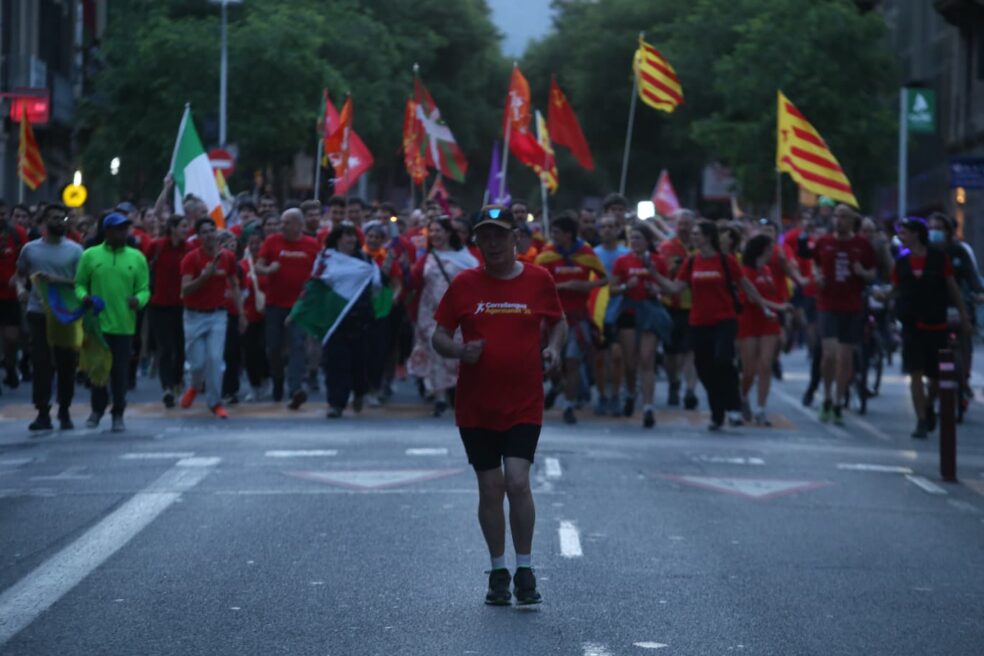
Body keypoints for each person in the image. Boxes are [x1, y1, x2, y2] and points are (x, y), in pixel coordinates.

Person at [432, 205, 565, 606]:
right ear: (476, 242)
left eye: (500, 235)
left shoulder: (539, 279)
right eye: (484, 236)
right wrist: (458, 350)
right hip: (476, 406)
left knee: (518, 482)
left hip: (524, 401)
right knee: (490, 488)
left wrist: (554, 348)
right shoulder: (464, 284)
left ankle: (525, 567)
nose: (492, 243)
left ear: (516, 239)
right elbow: (439, 334)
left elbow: (558, 320)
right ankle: (498, 570)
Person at [655, 220, 771, 430]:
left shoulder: (727, 261)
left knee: (723, 360)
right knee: (704, 369)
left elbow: (746, 285)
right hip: (699, 322)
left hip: (724, 321)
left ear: (708, 237)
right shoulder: (691, 262)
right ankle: (717, 413)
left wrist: (764, 306)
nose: (693, 237)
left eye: (697, 234)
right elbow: (675, 288)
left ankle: (734, 408)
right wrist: (654, 275)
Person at [892, 219, 972, 438]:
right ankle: (920, 419)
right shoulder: (901, 262)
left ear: (917, 234)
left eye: (904, 233)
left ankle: (929, 405)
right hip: (911, 324)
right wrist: (886, 297)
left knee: (936, 377)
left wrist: (964, 315)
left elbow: (952, 288)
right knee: (915, 372)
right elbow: (896, 288)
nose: (901, 237)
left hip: (936, 323)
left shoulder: (939, 259)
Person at [75, 212, 150, 432]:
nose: (123, 233)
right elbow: (79, 284)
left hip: (124, 325)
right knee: (98, 370)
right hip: (97, 325)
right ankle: (96, 411)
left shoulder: (137, 258)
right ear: (107, 231)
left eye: (125, 229)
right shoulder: (90, 255)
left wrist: (139, 300)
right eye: (118, 229)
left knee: (119, 373)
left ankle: (118, 413)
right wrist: (84, 297)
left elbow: (144, 288)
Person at [535, 212, 608, 424]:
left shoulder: (586, 253)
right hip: (551, 316)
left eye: (557, 232)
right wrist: (564, 286)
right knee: (552, 361)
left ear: (568, 234)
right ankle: (557, 384)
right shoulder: (546, 255)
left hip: (578, 317)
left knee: (573, 360)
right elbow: (537, 284)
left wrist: (586, 286)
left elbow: (604, 279)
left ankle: (569, 404)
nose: (553, 236)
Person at [16, 208, 83, 429]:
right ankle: (42, 411)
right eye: (55, 217)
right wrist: (20, 289)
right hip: (38, 312)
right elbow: (19, 275)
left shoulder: (75, 250)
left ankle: (64, 410)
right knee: (41, 363)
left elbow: (80, 283)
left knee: (66, 363)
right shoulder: (30, 249)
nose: (60, 221)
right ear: (44, 222)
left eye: (62, 217)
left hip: (65, 314)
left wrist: (56, 280)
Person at [810, 204, 876, 425]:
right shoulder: (824, 242)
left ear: (851, 221)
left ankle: (838, 402)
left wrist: (863, 272)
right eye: (837, 216)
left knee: (845, 357)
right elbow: (814, 263)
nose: (839, 220)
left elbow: (872, 272)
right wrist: (817, 275)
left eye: (844, 217)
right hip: (827, 303)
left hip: (851, 305)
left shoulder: (862, 245)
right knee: (829, 354)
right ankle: (826, 397)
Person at [408, 217, 478, 416]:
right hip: (430, 314)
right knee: (436, 352)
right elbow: (413, 281)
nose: (435, 235)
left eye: (439, 231)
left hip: (459, 315)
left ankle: (457, 392)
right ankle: (439, 396)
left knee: (457, 354)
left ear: (448, 233)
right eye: (432, 231)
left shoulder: (467, 258)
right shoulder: (427, 257)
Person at [312, 223, 383, 417]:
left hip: (360, 319)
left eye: (353, 236)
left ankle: (359, 392)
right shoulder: (326, 258)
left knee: (359, 363)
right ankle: (336, 403)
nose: (351, 240)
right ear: (337, 238)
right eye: (346, 236)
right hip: (334, 320)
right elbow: (317, 282)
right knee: (335, 363)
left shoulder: (366, 260)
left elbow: (376, 286)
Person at [179, 219, 244, 418]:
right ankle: (195, 385)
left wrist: (241, 315)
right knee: (197, 362)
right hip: (193, 315)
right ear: (198, 237)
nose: (209, 235)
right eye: (204, 232)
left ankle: (215, 402)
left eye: (212, 231)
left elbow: (234, 285)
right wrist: (205, 276)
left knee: (215, 359)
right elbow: (185, 290)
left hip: (218, 315)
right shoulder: (191, 259)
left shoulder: (228, 258)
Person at [255, 208, 320, 407]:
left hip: (299, 307)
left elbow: (320, 271)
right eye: (282, 222)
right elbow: (257, 265)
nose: (282, 226)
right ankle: (277, 379)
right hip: (275, 305)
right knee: (273, 348)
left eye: (287, 222)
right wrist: (267, 269)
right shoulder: (272, 241)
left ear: (299, 225)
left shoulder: (312, 245)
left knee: (297, 346)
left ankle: (295, 389)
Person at [609, 223, 670, 427]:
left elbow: (667, 288)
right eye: (632, 238)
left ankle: (648, 406)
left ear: (648, 241)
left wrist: (656, 290)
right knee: (630, 361)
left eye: (639, 239)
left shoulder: (658, 261)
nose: (635, 242)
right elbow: (612, 289)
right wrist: (627, 286)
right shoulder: (622, 261)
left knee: (647, 358)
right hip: (629, 311)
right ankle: (631, 392)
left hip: (650, 312)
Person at [737, 235, 790, 426]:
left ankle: (761, 409)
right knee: (749, 369)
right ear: (761, 250)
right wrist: (779, 306)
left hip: (769, 322)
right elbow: (753, 298)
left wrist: (780, 315)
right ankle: (741, 398)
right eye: (770, 249)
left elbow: (774, 294)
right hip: (750, 321)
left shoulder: (767, 270)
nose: (772, 253)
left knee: (765, 365)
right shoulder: (746, 272)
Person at [146, 215, 189, 407]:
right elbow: (143, 267)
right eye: (182, 226)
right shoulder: (157, 246)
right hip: (159, 304)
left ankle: (178, 379)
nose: (186, 230)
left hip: (182, 305)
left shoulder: (189, 249)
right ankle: (167, 388)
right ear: (172, 228)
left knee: (180, 347)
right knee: (166, 348)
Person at [659, 209, 699, 409]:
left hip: (695, 307)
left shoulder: (701, 247)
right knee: (671, 353)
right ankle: (673, 383)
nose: (684, 228)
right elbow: (668, 271)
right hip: (671, 305)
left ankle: (690, 391)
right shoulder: (667, 247)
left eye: (687, 224)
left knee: (691, 351)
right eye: (680, 224)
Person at [592, 213, 629, 416]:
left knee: (617, 356)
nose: (607, 230)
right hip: (599, 313)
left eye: (611, 226)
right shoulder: (593, 254)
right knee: (599, 358)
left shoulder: (626, 254)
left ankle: (616, 395)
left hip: (620, 311)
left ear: (618, 229)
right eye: (603, 226)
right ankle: (602, 395)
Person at [239, 226, 269, 401]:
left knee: (265, 348)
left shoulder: (267, 262)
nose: (255, 246)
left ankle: (267, 378)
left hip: (267, 314)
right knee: (249, 351)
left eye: (258, 243)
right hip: (248, 314)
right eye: (251, 243)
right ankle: (254, 385)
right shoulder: (242, 265)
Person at [1, 207, 27, 390]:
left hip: (10, 296)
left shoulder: (17, 234)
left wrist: (19, 279)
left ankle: (10, 366)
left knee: (11, 337)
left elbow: (26, 261)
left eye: (3, 213)